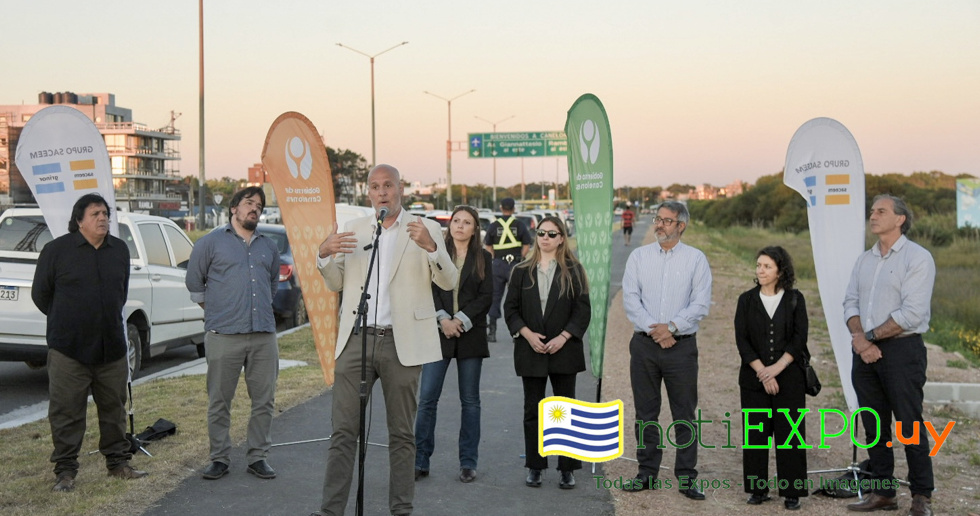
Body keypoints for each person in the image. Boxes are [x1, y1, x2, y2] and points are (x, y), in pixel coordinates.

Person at [313, 164, 457, 516]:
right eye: (375, 186)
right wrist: (323, 254)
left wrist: (432, 249)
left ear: (400, 189)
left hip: (401, 345)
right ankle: (331, 511)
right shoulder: (356, 229)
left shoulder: (426, 229)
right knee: (344, 433)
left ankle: (401, 509)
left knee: (402, 435)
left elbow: (449, 282)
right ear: (368, 193)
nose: (381, 192)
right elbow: (336, 283)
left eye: (388, 185)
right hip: (356, 340)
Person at [32, 193, 148, 492]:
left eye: (106, 213)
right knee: (67, 412)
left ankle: (118, 463)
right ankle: (66, 471)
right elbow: (41, 296)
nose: (103, 218)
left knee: (114, 409)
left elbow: (119, 294)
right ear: (79, 219)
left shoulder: (119, 250)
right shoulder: (57, 251)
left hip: (111, 348)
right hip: (69, 350)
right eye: (96, 213)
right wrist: (69, 320)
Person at [843, 195, 936, 516]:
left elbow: (911, 313)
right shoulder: (864, 260)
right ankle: (883, 492)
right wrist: (860, 339)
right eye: (872, 211)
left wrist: (867, 338)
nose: (873, 216)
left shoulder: (917, 258)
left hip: (902, 351)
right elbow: (850, 302)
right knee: (874, 425)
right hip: (864, 352)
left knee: (909, 424)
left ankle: (921, 495)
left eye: (881, 211)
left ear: (900, 219)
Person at [185, 186, 281, 481]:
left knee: (264, 400)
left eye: (259, 205)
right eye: (249, 203)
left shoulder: (269, 246)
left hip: (263, 335)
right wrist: (219, 309)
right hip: (223, 335)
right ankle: (220, 458)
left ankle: (257, 457)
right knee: (219, 401)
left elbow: (272, 286)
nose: (255, 209)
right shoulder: (209, 243)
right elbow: (194, 285)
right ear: (234, 209)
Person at [621, 200, 711, 500]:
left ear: (681, 226)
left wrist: (671, 327)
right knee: (646, 413)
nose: (659, 225)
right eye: (658, 219)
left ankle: (686, 478)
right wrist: (656, 330)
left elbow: (700, 303)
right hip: (645, 346)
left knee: (684, 413)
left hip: (681, 349)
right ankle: (646, 473)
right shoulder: (639, 257)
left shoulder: (696, 260)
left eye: (667, 221)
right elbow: (631, 299)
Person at [504, 216, 590, 490]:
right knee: (533, 410)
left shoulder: (573, 270)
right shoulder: (520, 270)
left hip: (563, 350)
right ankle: (535, 466)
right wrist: (527, 335)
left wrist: (564, 337)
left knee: (564, 411)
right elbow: (511, 310)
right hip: (531, 350)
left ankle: (567, 469)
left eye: (552, 234)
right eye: (541, 232)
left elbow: (582, 310)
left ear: (562, 238)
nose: (546, 238)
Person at [414, 206, 493, 484]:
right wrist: (443, 320)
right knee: (427, 400)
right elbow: (427, 289)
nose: (460, 226)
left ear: (475, 229)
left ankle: (468, 462)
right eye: (456, 221)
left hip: (470, 334)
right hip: (438, 333)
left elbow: (486, 297)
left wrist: (460, 319)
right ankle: (420, 460)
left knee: (470, 401)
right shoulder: (436, 253)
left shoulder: (483, 258)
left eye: (467, 222)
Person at [734, 246, 810, 510]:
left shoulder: (795, 299)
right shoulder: (746, 300)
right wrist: (762, 372)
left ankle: (792, 492)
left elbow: (799, 339)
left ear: (780, 270)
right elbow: (742, 341)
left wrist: (776, 369)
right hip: (753, 378)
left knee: (790, 435)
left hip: (789, 377)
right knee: (755, 434)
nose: (760, 271)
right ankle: (757, 489)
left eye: (766, 266)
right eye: (758, 266)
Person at [484, 197, 532, 343]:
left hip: (498, 265)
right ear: (513, 208)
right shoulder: (519, 225)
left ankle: (492, 332)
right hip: (515, 266)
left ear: (500, 207)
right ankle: (518, 331)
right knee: (517, 299)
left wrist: (495, 258)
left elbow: (488, 246)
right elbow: (527, 244)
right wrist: (520, 259)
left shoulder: (493, 226)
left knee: (495, 298)